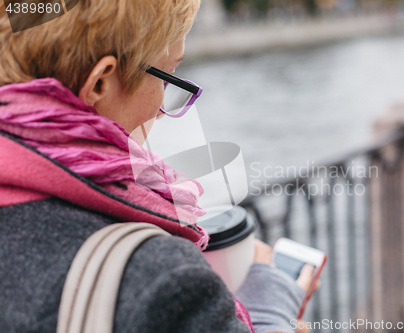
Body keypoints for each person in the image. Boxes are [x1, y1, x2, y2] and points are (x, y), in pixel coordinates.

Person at [0, 0, 318, 332]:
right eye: (169, 76)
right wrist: (270, 306)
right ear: (100, 84)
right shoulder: (162, 280)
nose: (163, 109)